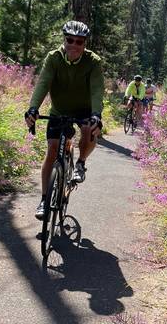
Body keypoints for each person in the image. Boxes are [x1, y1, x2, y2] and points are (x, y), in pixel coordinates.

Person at [24, 20, 104, 220]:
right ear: (64, 40)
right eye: (70, 40)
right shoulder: (54, 58)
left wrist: (96, 114)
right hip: (59, 110)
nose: (74, 45)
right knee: (52, 149)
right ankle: (44, 200)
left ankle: (81, 163)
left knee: (88, 130)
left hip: (85, 110)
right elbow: (43, 83)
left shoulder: (93, 62)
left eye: (79, 42)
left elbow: (96, 90)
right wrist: (33, 107)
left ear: (85, 44)